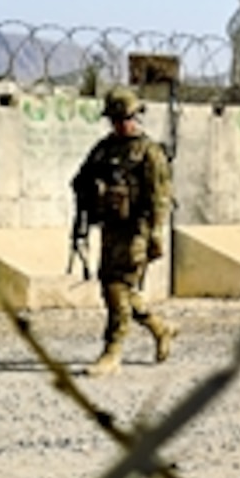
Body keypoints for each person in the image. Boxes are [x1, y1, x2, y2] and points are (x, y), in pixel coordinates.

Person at [71, 86, 175, 377]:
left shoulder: (149, 153)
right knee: (114, 286)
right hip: (111, 228)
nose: (120, 124)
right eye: (115, 119)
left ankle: (112, 352)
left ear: (135, 116)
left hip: (137, 230)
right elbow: (81, 178)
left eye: (125, 118)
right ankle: (160, 327)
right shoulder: (104, 148)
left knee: (117, 288)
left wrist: (156, 234)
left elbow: (160, 197)